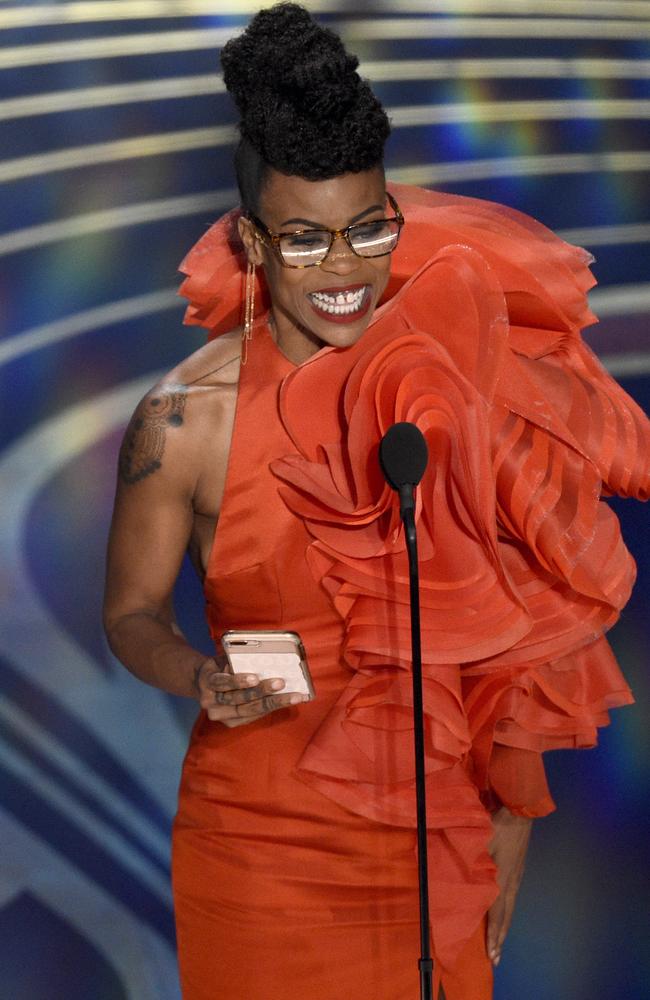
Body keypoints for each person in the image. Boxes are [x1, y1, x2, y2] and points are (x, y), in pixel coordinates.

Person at [103, 5, 650, 999]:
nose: (346, 268)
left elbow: (527, 626)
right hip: (258, 845)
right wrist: (197, 671)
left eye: (367, 229)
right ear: (250, 240)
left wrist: (508, 817)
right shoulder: (182, 421)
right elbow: (131, 613)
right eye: (306, 240)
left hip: (431, 841)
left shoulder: (457, 389)